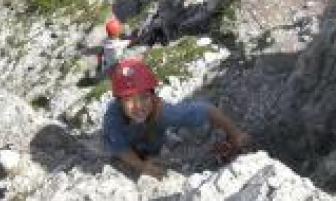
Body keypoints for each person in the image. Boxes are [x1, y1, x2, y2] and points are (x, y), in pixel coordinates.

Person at [102, 58, 251, 178]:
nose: (138, 106)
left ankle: (152, 152)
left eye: (144, 97)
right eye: (129, 100)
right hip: (126, 142)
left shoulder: (163, 112)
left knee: (155, 136)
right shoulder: (112, 120)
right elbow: (120, 147)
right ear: (119, 101)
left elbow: (207, 110)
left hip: (151, 141)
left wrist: (235, 133)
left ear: (153, 97)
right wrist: (142, 166)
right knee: (119, 158)